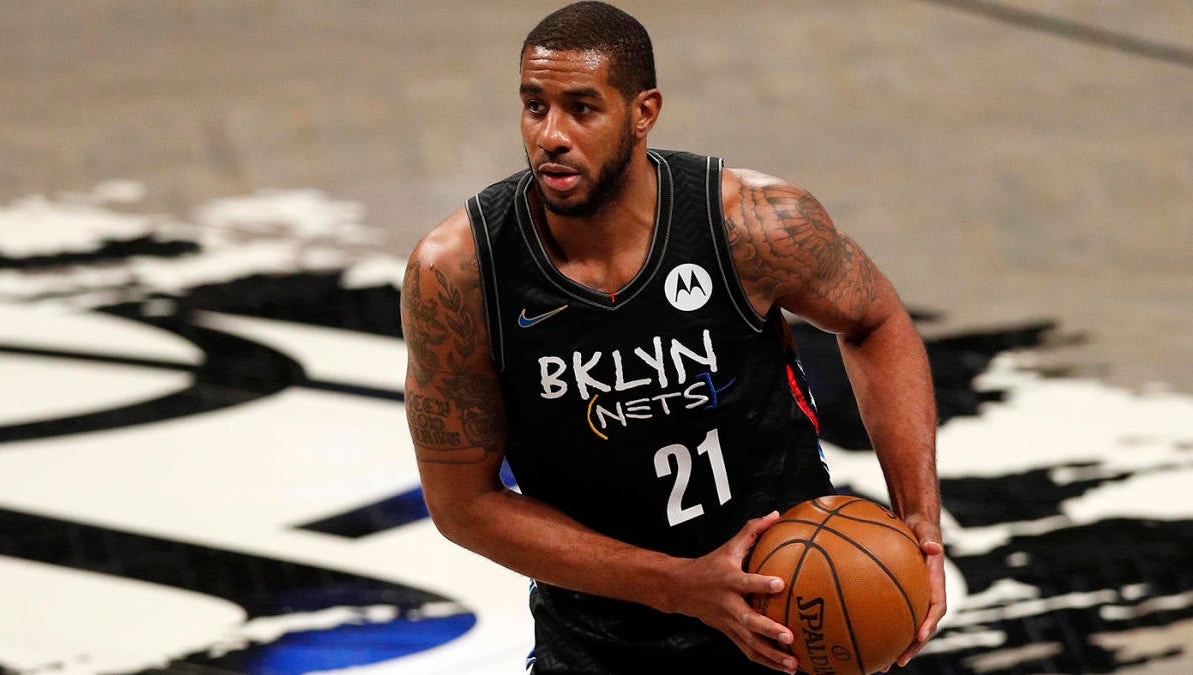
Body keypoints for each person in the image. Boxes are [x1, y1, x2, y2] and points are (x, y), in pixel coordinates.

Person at [401, 2, 946, 673]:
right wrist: (675, 585)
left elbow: (877, 321)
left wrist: (920, 519)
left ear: (643, 111)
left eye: (581, 108)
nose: (550, 134)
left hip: (790, 619)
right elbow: (463, 504)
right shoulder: (459, 275)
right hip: (601, 644)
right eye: (534, 106)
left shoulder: (754, 225)